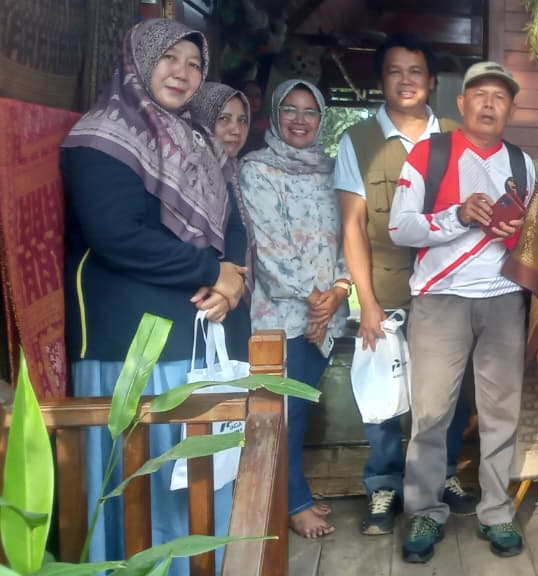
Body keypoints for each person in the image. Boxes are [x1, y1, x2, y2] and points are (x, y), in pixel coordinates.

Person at [62, 19, 247, 575]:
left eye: (194, 64)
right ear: (140, 60)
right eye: (169, 58)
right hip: (130, 347)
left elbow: (232, 223)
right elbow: (117, 235)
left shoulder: (197, 141)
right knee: (141, 490)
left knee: (191, 489)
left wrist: (230, 284)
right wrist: (212, 270)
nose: (182, 73)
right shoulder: (102, 137)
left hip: (193, 339)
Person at [389, 61, 535, 563]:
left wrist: (516, 233)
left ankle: (496, 512)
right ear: (461, 102)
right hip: (439, 298)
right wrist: (457, 215)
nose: (490, 104)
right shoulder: (429, 154)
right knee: (431, 413)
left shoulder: (522, 163)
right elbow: (399, 228)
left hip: (503, 299)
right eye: (480, 94)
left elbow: (535, 237)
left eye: (500, 96)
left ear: (511, 108)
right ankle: (425, 511)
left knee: (501, 414)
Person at [333, 32, 476, 537]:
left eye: (416, 71)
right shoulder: (357, 141)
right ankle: (384, 483)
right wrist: (366, 301)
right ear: (380, 81)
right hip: (388, 292)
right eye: (395, 71)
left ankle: (442, 474)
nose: (406, 80)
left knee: (448, 394)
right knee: (385, 390)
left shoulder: (458, 137)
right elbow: (352, 225)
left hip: (450, 291)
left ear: (432, 80)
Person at [239, 79, 350, 539]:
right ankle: (293, 503)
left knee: (299, 406)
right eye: (290, 109)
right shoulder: (257, 168)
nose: (300, 120)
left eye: (310, 111)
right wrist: (314, 299)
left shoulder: (334, 170)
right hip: (281, 315)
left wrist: (338, 292)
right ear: (275, 114)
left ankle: (292, 491)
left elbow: (351, 234)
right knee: (285, 410)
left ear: (322, 118)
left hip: (327, 313)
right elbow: (268, 245)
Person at [188, 81, 255, 361]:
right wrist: (220, 283)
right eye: (224, 119)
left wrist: (232, 286)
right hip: (199, 299)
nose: (235, 129)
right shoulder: (188, 170)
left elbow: (236, 230)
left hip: (229, 298)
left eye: (242, 120)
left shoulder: (231, 172)